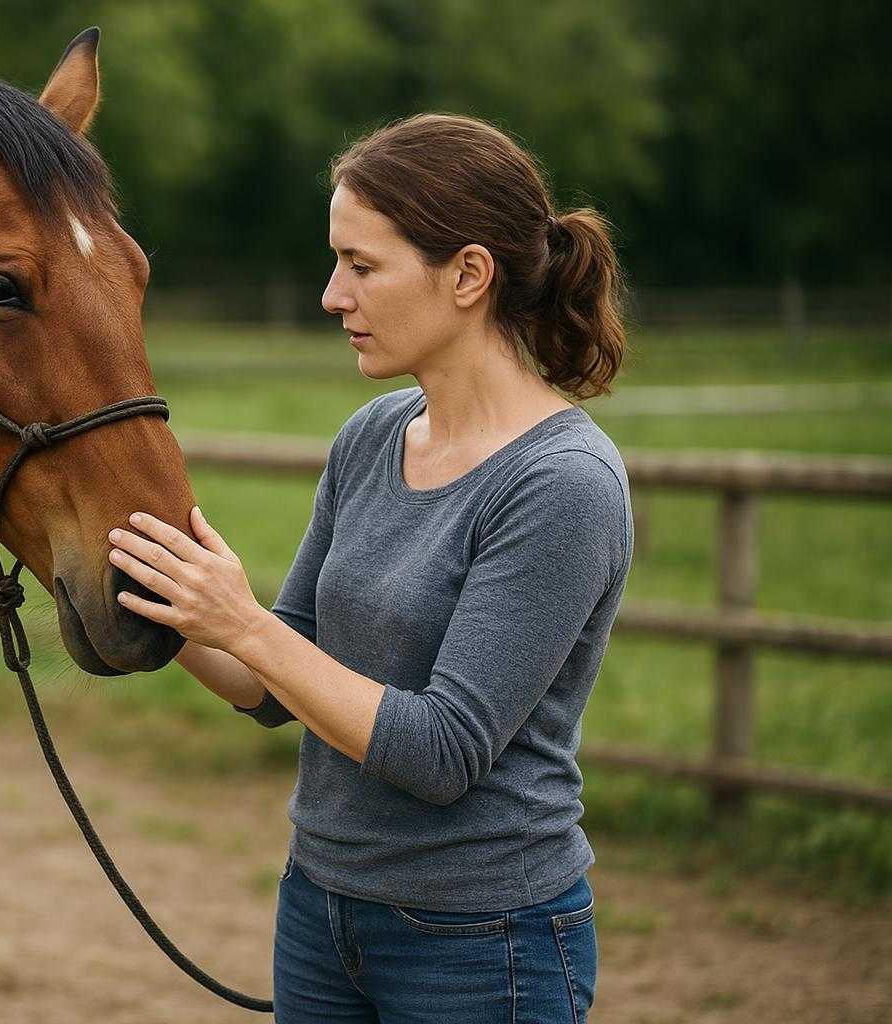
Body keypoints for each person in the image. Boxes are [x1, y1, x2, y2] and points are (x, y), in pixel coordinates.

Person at [107, 113, 632, 1022]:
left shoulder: (563, 485)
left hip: (484, 941)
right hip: (320, 910)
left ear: (469, 275)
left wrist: (244, 622)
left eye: (361, 265)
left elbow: (440, 753)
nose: (330, 295)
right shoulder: (371, 437)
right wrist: (159, 590)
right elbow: (271, 684)